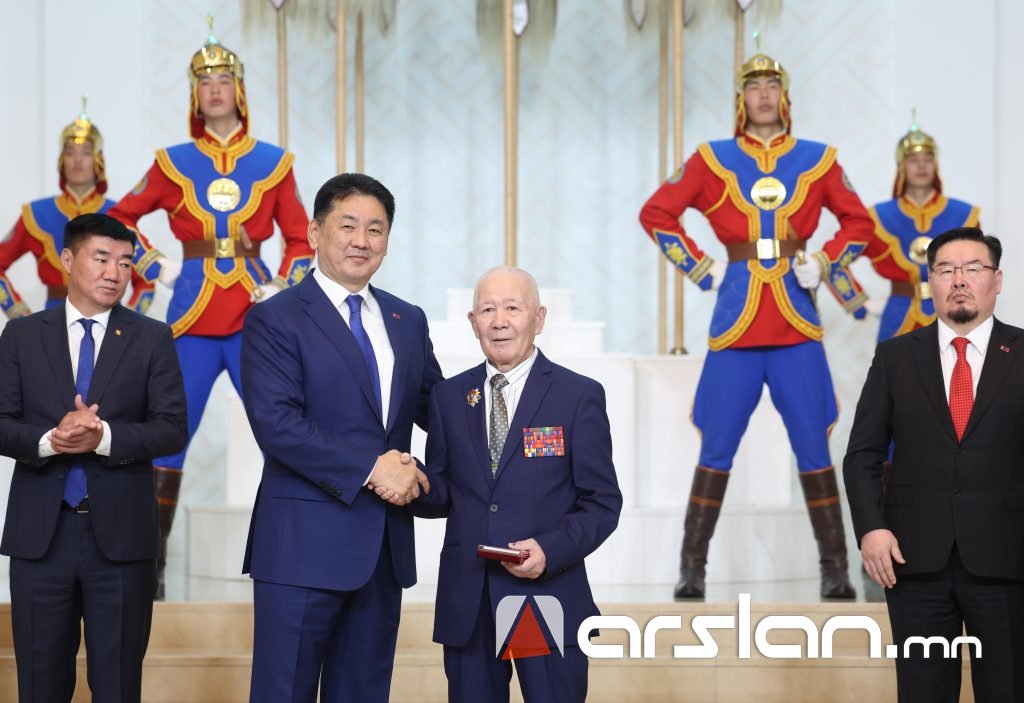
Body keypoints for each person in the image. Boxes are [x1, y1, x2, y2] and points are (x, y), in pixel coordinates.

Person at [639, 48, 880, 599]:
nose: (764, 94)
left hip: (797, 323)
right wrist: (699, 266)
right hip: (736, 322)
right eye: (754, 86)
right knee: (716, 446)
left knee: (814, 446)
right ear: (740, 98)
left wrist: (826, 261)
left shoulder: (818, 159)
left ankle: (835, 571)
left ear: (785, 96)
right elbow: (656, 212)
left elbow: (859, 223)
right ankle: (692, 570)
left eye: (772, 85)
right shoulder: (712, 158)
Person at [108, 20, 314, 598]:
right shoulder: (171, 161)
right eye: (205, 82)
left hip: (256, 319)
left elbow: (302, 238)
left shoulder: (274, 161)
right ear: (194, 95)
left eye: (224, 80)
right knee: (168, 436)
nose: (215, 89)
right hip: (190, 319)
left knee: (283, 434)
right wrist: (154, 266)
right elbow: (120, 218)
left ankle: (300, 557)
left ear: (239, 90)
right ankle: (149, 568)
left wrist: (283, 284)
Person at [239, 172, 443, 702]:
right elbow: (277, 425)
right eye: (347, 225)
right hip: (301, 550)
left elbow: (440, 411)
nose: (361, 240)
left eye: (375, 229)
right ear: (315, 231)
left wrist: (509, 395)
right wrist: (375, 469)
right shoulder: (274, 319)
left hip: (382, 551)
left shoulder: (407, 319)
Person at [406, 266, 622, 702]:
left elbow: (602, 503)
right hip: (469, 602)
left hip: (542, 598)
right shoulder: (449, 397)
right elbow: (445, 492)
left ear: (538, 319)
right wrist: (413, 480)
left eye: (512, 308)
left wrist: (549, 550)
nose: (499, 321)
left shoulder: (576, 396)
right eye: (487, 310)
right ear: (473, 323)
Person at [0, 213, 188, 702]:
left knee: (118, 686)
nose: (114, 273)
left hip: (122, 542)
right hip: (41, 540)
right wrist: (52, 441)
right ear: (67, 259)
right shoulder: (22, 335)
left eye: (125, 263)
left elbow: (171, 428)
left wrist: (102, 436)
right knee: (40, 686)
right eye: (101, 258)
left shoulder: (151, 337)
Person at [844, 227, 1024, 700]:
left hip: (1008, 560)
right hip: (914, 561)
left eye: (973, 269)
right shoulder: (895, 356)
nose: (959, 280)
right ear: (931, 282)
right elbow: (863, 454)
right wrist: (871, 528)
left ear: (997, 280)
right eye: (945, 270)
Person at [0, 100, 159, 319]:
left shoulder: (119, 213)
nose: (77, 160)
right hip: (53, 321)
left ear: (98, 160)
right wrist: (21, 317)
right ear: (61, 160)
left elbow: (147, 280)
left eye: (85, 152)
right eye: (70, 152)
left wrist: (128, 322)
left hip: (108, 317)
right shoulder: (37, 214)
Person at [864, 117, 981, 341]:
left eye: (928, 159)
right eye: (913, 160)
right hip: (898, 315)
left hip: (952, 312)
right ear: (901, 166)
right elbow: (838, 259)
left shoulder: (964, 215)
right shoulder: (879, 216)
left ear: (936, 165)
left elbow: (979, 270)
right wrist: (857, 301)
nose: (921, 165)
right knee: (895, 364)